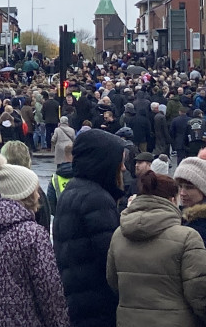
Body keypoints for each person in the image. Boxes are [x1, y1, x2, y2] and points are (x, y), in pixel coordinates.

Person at [0, 153, 68, 327]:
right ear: (27, 194)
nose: (38, 196)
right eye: (35, 190)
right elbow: (49, 290)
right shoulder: (32, 234)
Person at [106, 170, 206, 327]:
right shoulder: (187, 237)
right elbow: (199, 292)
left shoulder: (118, 235)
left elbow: (113, 282)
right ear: (172, 200)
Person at [52, 126, 125, 327]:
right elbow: (112, 260)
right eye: (119, 162)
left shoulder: (74, 190)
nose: (123, 168)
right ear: (104, 163)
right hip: (98, 307)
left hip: (79, 301)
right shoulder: (96, 199)